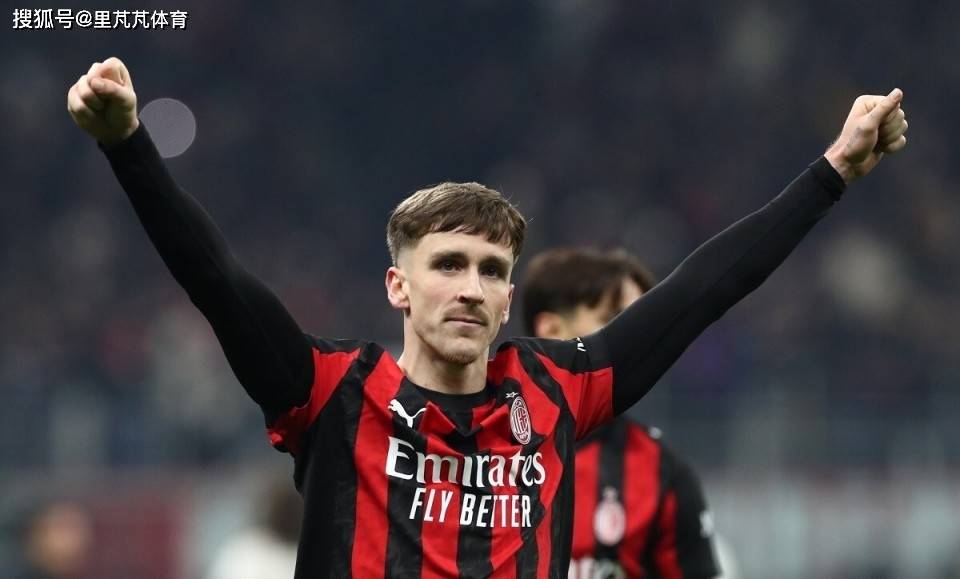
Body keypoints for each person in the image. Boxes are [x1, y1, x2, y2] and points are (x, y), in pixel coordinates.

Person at [66, 56, 907, 577]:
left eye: (492, 271)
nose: (471, 287)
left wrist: (833, 171)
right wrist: (128, 145)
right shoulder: (329, 390)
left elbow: (702, 291)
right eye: (448, 265)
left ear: (510, 298)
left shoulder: (557, 389)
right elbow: (213, 277)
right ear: (398, 286)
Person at [522, 248, 721, 578]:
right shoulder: (475, 445)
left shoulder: (662, 470)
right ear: (552, 330)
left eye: (645, 326)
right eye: (616, 321)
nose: (637, 342)